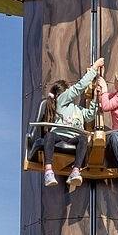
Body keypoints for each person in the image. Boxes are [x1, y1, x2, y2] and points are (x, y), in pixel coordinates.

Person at [37, 57, 104, 191]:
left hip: (73, 137)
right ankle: (49, 171)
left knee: (83, 139)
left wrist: (97, 98)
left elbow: (90, 115)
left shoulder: (77, 110)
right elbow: (78, 88)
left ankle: (76, 170)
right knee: (49, 136)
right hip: (60, 135)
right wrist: (94, 69)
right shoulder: (61, 102)